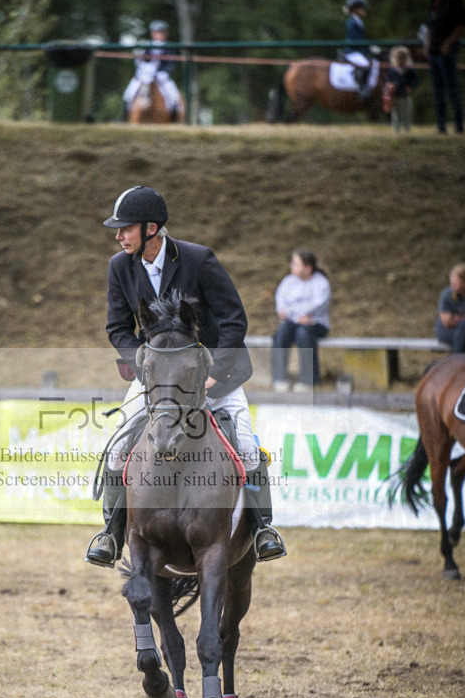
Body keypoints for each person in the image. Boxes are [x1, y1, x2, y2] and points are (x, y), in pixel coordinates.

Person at [85, 185, 286, 568]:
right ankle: (111, 532)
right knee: (116, 450)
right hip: (157, 381)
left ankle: (263, 529)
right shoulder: (119, 266)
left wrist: (214, 374)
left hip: (214, 376)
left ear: (151, 228)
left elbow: (234, 320)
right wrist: (146, 365)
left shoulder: (198, 260)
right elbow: (117, 328)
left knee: (245, 445)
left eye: (125, 228)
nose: (118, 236)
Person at [272, 249, 331, 393]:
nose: (292, 266)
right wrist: (296, 314)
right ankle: (279, 379)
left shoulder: (321, 283)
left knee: (303, 333)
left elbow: (317, 304)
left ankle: (308, 380)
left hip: (316, 323)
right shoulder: (288, 281)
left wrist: (295, 312)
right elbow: (281, 301)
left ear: (308, 267)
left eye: (296, 264)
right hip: (292, 322)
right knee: (281, 333)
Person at [425, 0, 465, 134]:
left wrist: (449, 43)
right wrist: (427, 44)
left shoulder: (454, 2)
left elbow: (462, 24)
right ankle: (441, 126)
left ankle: (459, 125)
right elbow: (429, 26)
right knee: (437, 91)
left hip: (447, 52)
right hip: (434, 51)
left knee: (452, 89)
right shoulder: (433, 3)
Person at [122, 21, 183, 120]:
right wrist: (143, 69)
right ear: (152, 33)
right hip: (144, 76)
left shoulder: (169, 47)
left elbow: (171, 63)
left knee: (174, 97)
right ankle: (124, 119)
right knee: (128, 94)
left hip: (162, 77)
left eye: (161, 32)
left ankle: (174, 118)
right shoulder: (146, 46)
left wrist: (164, 73)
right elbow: (140, 60)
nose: (158, 35)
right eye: (156, 32)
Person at [435, 263, 465, 352]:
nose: (452, 286)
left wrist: (457, 318)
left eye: (456, 283)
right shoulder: (447, 294)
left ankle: (454, 361)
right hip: (447, 332)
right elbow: (447, 322)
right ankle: (458, 359)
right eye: (451, 283)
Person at [342, 0, 373, 98]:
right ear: (355, 9)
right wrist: (367, 47)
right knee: (365, 65)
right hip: (352, 51)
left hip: (358, 49)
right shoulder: (352, 22)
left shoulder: (358, 21)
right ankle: (362, 88)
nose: (364, 10)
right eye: (362, 8)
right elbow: (356, 39)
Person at [385, 46, 420, 133]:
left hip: (405, 96)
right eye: (398, 58)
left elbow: (416, 81)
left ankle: (406, 131)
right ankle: (396, 132)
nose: (400, 60)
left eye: (402, 58)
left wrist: (410, 86)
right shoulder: (392, 71)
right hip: (395, 96)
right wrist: (389, 86)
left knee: (406, 115)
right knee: (395, 115)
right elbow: (387, 81)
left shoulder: (409, 70)